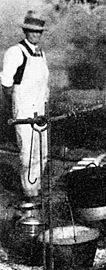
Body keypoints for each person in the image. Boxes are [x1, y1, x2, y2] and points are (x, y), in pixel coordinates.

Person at [0, 10, 49, 203]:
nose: (36, 35)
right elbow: (6, 83)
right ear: (25, 32)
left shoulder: (41, 53)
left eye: (39, 32)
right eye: (32, 31)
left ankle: (35, 188)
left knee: (42, 151)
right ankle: (29, 192)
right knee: (28, 152)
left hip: (41, 109)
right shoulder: (16, 52)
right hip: (24, 109)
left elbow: (44, 84)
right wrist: (13, 106)